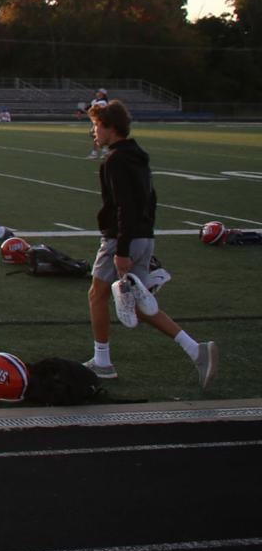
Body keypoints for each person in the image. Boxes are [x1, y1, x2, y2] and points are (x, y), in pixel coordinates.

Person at [83, 100, 217, 388]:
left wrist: (121, 250)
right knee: (143, 306)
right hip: (143, 236)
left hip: (123, 238)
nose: (93, 132)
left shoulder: (116, 160)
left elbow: (124, 207)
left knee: (97, 295)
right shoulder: (137, 156)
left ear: (111, 128)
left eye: (96, 126)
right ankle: (196, 350)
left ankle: (102, 361)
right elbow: (148, 200)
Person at [88, 88, 110, 158]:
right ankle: (103, 151)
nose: (97, 93)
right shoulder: (95, 101)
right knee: (95, 136)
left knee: (96, 136)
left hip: (100, 121)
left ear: (102, 94)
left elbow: (96, 111)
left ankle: (95, 153)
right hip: (96, 121)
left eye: (99, 92)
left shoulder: (103, 102)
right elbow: (88, 108)